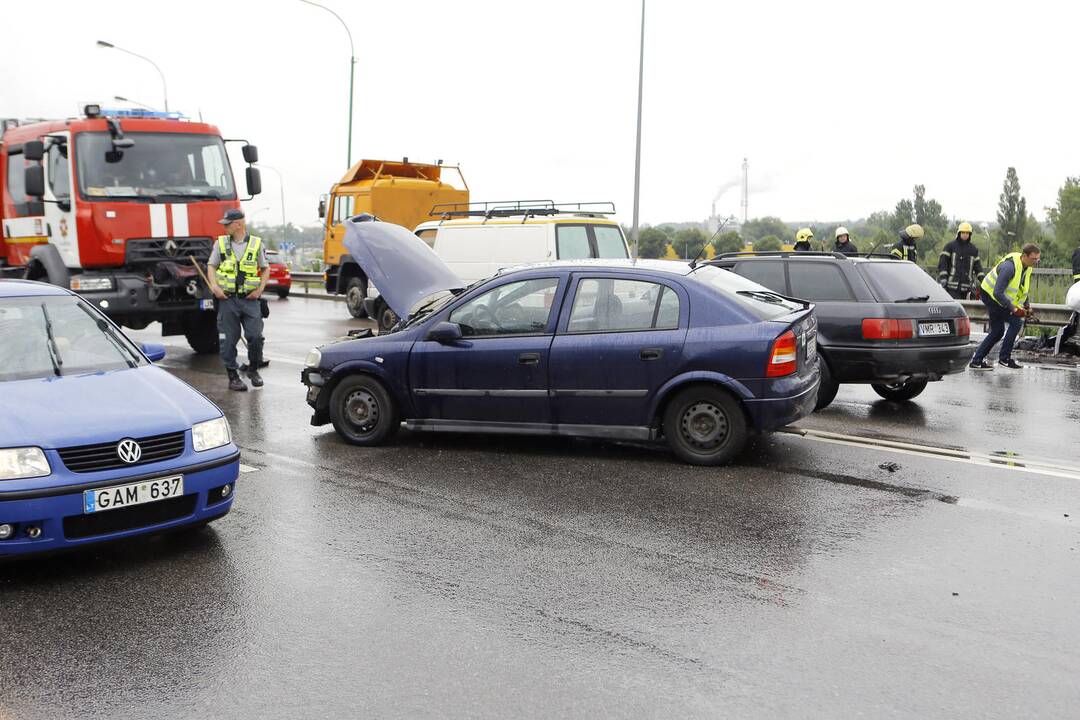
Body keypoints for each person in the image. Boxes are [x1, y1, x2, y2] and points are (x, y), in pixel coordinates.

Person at [207, 209, 270, 391]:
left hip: (250, 300)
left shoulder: (256, 244)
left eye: (228, 223)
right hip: (228, 300)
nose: (225, 227)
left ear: (239, 224)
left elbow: (265, 268)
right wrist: (214, 287)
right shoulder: (221, 244)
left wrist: (259, 290)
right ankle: (233, 376)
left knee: (255, 336)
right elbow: (211, 266)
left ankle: (253, 369)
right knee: (228, 340)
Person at [968, 243, 1041, 370]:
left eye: (1038, 259)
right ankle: (1004, 359)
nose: (1036, 262)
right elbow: (997, 292)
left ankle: (976, 361)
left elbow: (1022, 289)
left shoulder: (1027, 267)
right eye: (1034, 259)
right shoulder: (1009, 267)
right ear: (1024, 256)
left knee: (998, 331)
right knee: (1015, 323)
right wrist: (1013, 308)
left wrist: (1027, 305)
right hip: (990, 295)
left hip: (997, 297)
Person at [937, 221, 985, 299]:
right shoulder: (950, 246)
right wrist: (943, 278)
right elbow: (943, 263)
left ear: (970, 234)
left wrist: (984, 282)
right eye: (963, 232)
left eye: (967, 233)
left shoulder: (973, 250)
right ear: (959, 233)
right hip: (951, 286)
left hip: (967, 288)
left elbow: (978, 268)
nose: (965, 235)